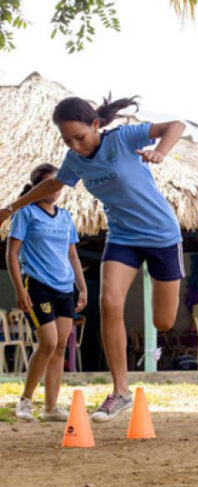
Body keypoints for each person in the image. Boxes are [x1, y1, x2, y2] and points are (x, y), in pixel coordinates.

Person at [0, 95, 186, 422]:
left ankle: (123, 386)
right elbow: (52, 185)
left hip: (161, 235)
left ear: (96, 125)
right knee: (110, 304)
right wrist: (10, 208)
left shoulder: (123, 138)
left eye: (80, 137)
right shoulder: (75, 160)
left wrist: (160, 151)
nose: (76, 146)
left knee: (164, 322)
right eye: (67, 140)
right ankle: (121, 391)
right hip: (123, 237)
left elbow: (176, 125)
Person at [6, 164, 87, 422]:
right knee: (48, 343)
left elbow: (72, 255)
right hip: (38, 285)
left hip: (65, 288)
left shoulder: (65, 217)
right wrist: (19, 290)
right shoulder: (26, 214)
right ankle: (25, 401)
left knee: (61, 346)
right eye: (48, 183)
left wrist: (82, 287)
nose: (54, 188)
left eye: (57, 183)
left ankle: (51, 408)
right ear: (38, 186)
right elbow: (12, 254)